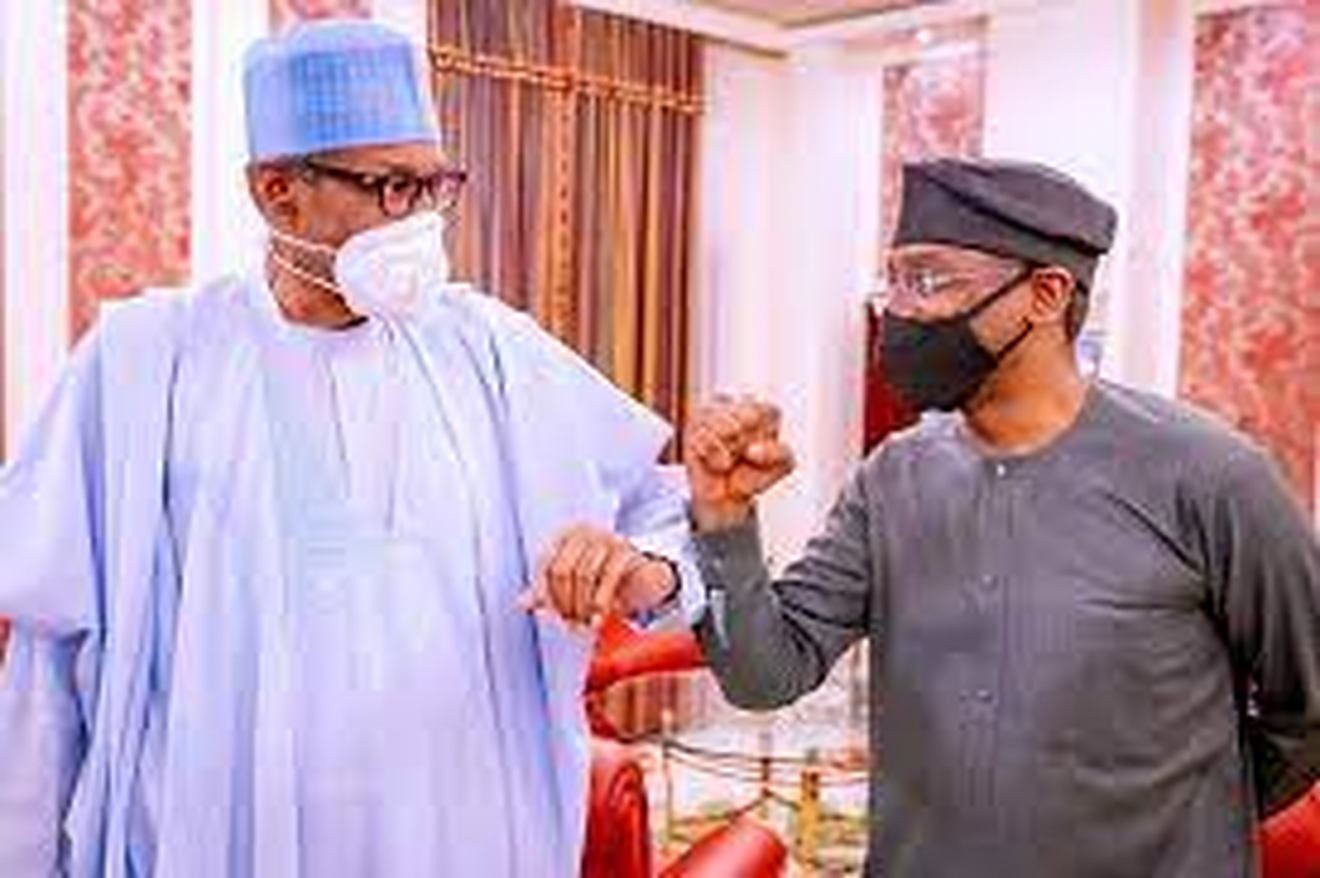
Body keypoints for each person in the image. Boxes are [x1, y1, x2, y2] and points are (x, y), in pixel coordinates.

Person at [0, 19, 695, 877]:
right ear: (276, 191)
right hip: (226, 840)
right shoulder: (146, 366)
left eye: (435, 186)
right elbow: (46, 666)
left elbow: (667, 513)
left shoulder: (493, 353)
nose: (421, 220)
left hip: (461, 832)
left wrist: (639, 565)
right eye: (391, 187)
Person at [668, 158, 1320, 875]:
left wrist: (1179, 814)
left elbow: (1308, 704)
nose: (899, 311)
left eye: (929, 280)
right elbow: (763, 676)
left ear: (1045, 294)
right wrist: (724, 519)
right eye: (895, 280)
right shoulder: (892, 478)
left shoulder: (1210, 477)